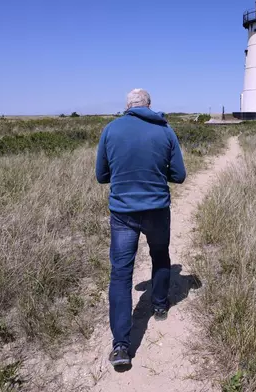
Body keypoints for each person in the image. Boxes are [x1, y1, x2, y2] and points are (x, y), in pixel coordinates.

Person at [95, 88, 187, 367]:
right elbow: (180, 175)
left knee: (121, 274)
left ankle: (121, 346)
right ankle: (159, 305)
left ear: (128, 106)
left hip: (123, 213)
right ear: (148, 105)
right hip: (157, 210)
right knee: (160, 255)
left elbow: (101, 176)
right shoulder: (165, 130)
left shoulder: (110, 130)